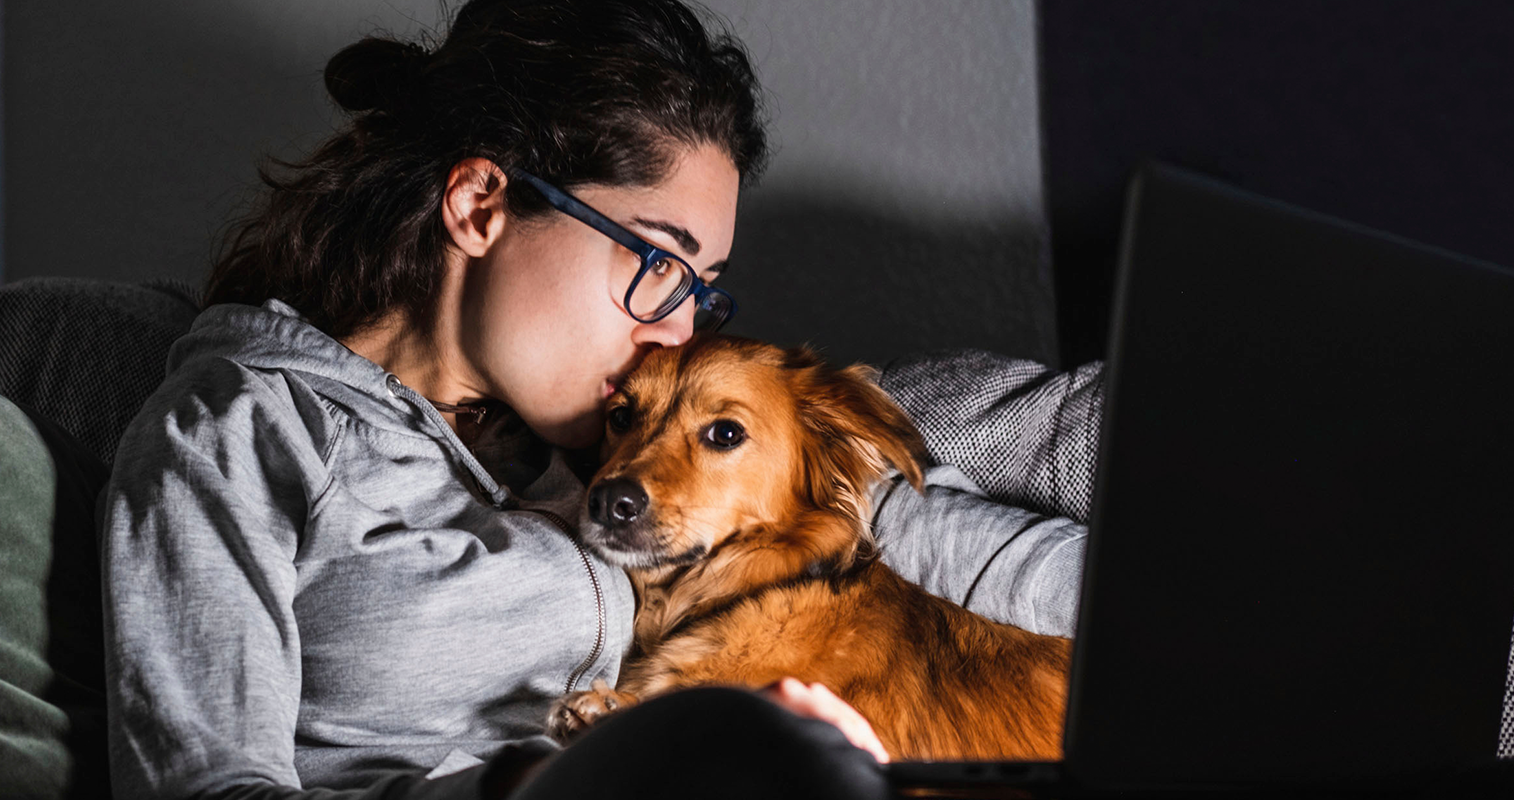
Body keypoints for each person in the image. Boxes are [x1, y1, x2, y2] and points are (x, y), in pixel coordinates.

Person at [97, 1, 1086, 798]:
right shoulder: (239, 434)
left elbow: (920, 524)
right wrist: (548, 776)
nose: (675, 330)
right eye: (658, 260)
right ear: (481, 204)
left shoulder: (601, 439)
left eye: (701, 288)